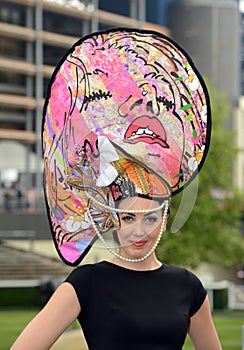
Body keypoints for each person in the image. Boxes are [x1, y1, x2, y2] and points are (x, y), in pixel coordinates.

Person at [11, 28, 222, 349]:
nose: (139, 231)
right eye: (128, 219)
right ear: (114, 218)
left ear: (163, 217)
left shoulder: (188, 286)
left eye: (149, 218)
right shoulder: (88, 283)